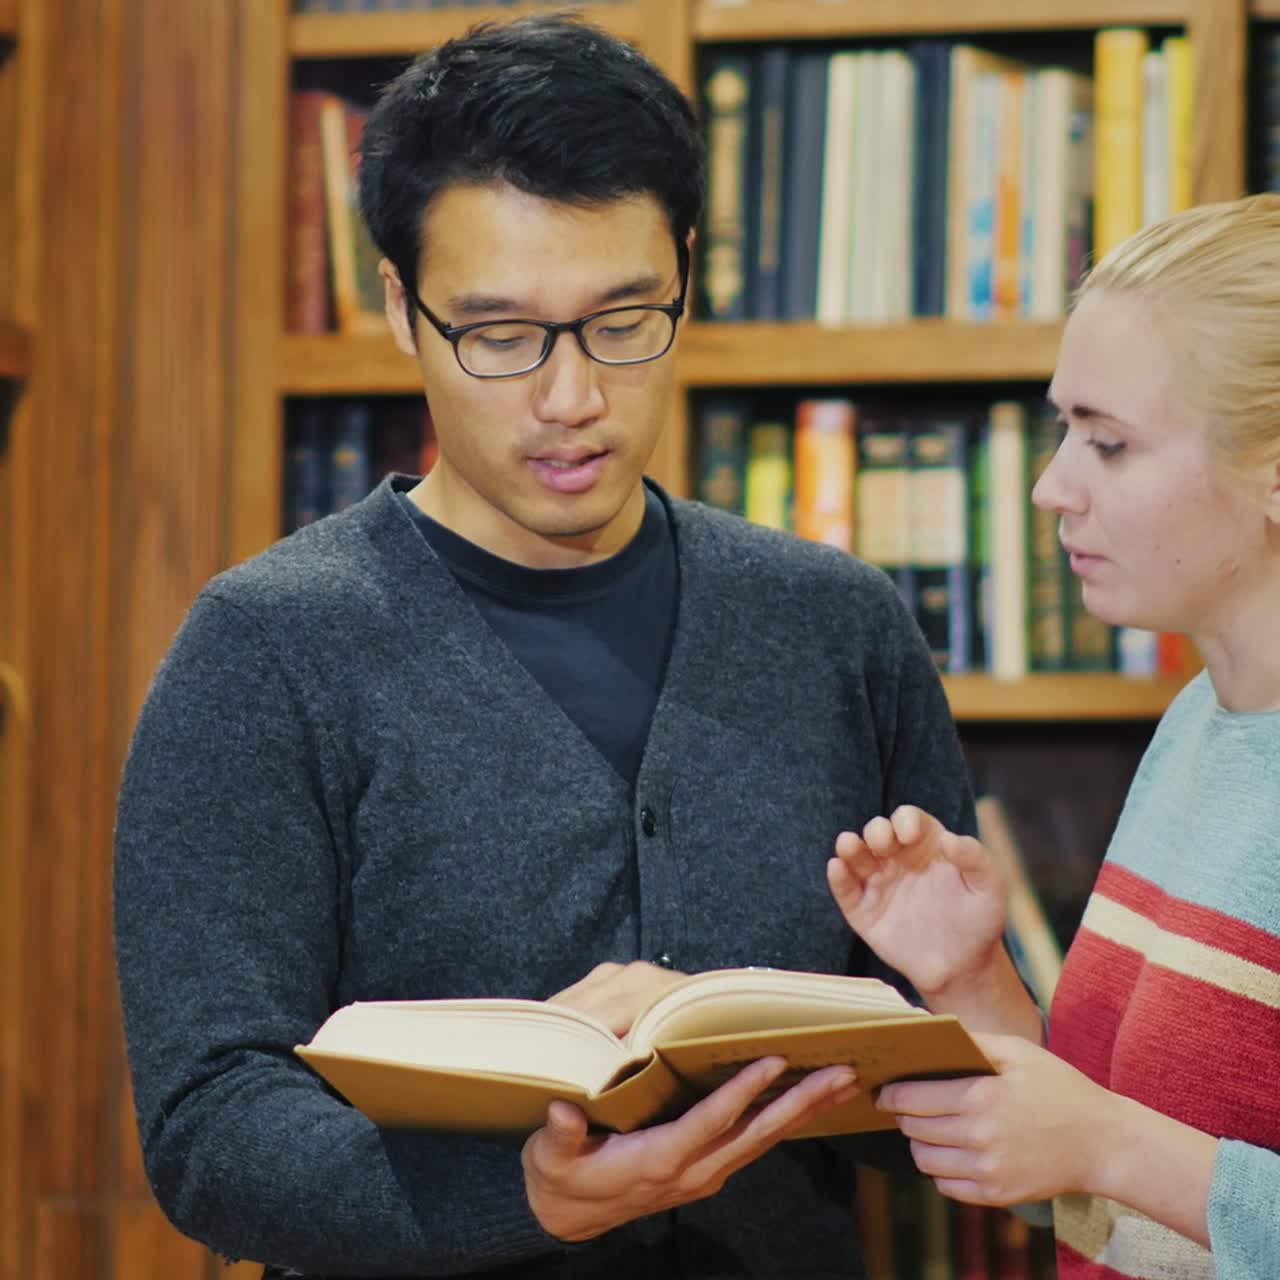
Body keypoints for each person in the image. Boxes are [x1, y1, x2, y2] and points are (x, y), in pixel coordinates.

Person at [113, 14, 976, 1279]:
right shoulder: (267, 649)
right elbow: (206, 1128)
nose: (571, 397)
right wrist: (521, 1189)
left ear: (685, 270)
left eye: (624, 319)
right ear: (400, 309)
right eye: (501, 336)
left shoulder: (833, 623)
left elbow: (941, 1095)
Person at [828, 193, 1280, 1280]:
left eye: (1107, 444)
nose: (1048, 487)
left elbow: (1115, 1149)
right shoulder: (1197, 727)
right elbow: (1100, 1200)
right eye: (1059, 429)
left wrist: (1101, 1140)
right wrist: (970, 980)